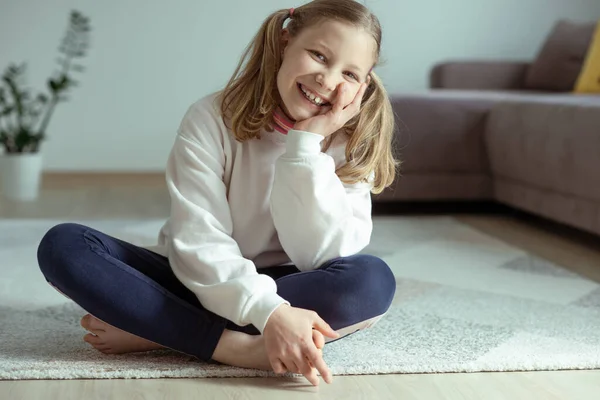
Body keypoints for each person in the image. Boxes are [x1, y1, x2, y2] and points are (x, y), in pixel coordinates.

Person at [37, 0, 399, 387]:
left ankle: (157, 327)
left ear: (363, 86)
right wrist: (271, 315)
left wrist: (306, 146)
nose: (327, 80)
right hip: (198, 275)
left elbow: (320, 255)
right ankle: (232, 346)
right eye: (318, 55)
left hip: (294, 282)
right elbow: (199, 240)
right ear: (284, 41)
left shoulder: (354, 142)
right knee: (65, 245)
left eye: (348, 72)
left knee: (372, 280)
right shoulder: (209, 118)